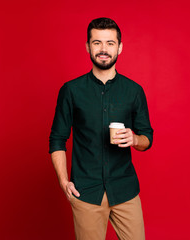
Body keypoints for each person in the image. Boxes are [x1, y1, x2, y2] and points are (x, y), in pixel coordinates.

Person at [49, 17, 153, 240]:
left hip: (125, 190)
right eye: (97, 43)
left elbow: (148, 138)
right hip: (86, 192)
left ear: (120, 47)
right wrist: (63, 182)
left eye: (110, 43)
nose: (103, 49)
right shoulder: (71, 90)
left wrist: (135, 140)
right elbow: (57, 138)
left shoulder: (134, 91)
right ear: (88, 46)